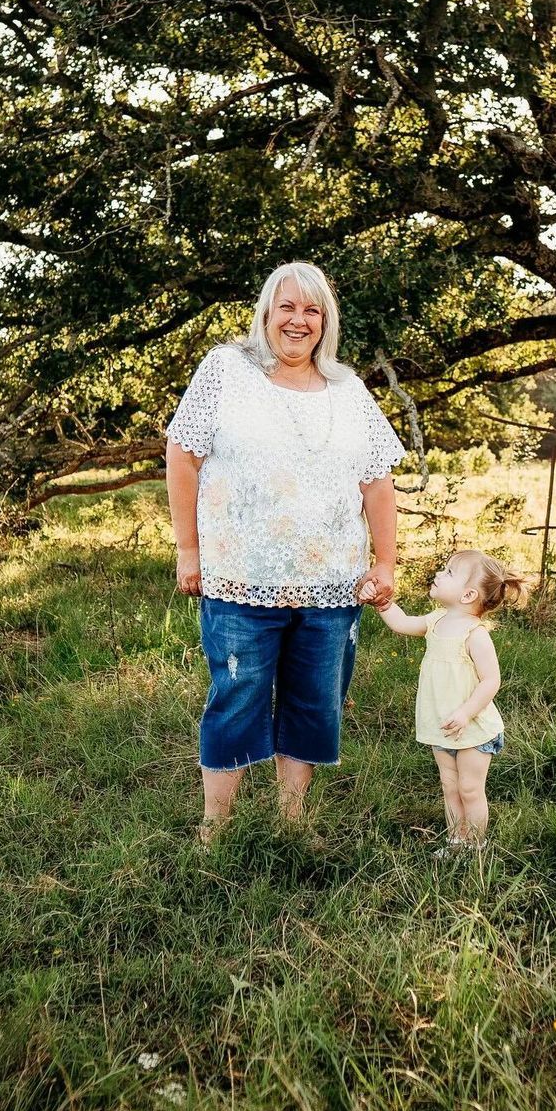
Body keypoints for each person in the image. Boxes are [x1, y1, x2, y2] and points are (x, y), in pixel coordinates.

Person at [164, 261, 407, 839]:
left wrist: (385, 562)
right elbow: (182, 454)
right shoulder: (227, 369)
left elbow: (377, 482)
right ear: (266, 314)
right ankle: (215, 829)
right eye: (287, 308)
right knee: (237, 697)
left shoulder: (349, 390)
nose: (299, 321)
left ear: (326, 321)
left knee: (314, 703)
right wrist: (189, 551)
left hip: (332, 584)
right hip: (239, 576)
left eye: (312, 309)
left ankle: (290, 823)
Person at [372, 549, 526, 855]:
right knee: (450, 786)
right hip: (442, 723)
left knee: (469, 788)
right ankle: (456, 842)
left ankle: (476, 845)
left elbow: (491, 681)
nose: (440, 574)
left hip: (472, 727)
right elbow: (401, 623)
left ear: (468, 594)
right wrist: (382, 603)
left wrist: (466, 713)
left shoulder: (475, 634)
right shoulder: (436, 620)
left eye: (449, 572)